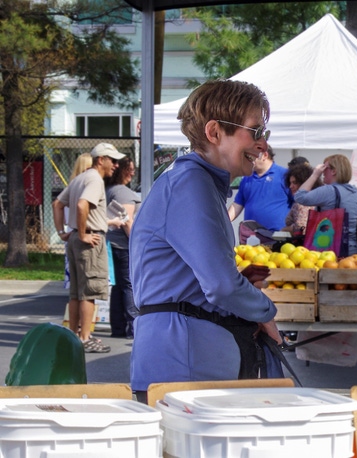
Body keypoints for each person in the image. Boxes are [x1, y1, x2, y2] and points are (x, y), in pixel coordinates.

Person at [129, 80, 283, 404]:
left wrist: (239, 283)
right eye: (255, 132)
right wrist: (265, 312)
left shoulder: (198, 183)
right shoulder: (192, 184)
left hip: (184, 356)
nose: (262, 145)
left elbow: (197, 279)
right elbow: (221, 287)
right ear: (214, 133)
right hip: (184, 362)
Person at [52, 143, 125, 354]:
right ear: (100, 159)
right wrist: (84, 233)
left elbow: (58, 204)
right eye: (112, 160)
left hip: (74, 238)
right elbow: (82, 205)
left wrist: (62, 232)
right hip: (88, 240)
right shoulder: (94, 179)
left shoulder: (80, 178)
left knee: (76, 293)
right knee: (88, 293)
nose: (116, 165)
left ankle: (73, 335)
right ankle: (85, 338)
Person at [293, 154, 357, 256]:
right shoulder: (355, 193)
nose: (323, 172)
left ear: (334, 171)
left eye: (325, 168)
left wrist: (315, 174)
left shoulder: (328, 191)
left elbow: (299, 196)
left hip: (330, 249)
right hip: (352, 249)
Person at [105, 157, 140, 339]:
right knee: (128, 285)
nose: (133, 173)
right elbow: (127, 222)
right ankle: (134, 326)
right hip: (124, 245)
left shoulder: (109, 190)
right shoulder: (123, 193)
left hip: (112, 244)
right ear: (122, 170)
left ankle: (117, 327)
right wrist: (137, 243)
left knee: (118, 286)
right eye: (130, 169)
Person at [227, 145, 293, 233]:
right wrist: (224, 221)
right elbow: (237, 205)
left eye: (251, 156)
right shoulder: (246, 178)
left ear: (265, 155)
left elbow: (298, 202)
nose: (248, 160)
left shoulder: (284, 175)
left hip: (278, 235)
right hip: (251, 236)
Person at [62, 152, 92, 289]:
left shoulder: (71, 187)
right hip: (85, 234)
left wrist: (61, 231)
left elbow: (58, 206)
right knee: (87, 287)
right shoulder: (88, 188)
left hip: (71, 234)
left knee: (74, 287)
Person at [281, 163, 316, 235]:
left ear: (303, 182)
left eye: (294, 183)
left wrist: (284, 230)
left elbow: (301, 228)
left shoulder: (302, 203)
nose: (291, 186)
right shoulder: (315, 198)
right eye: (290, 183)